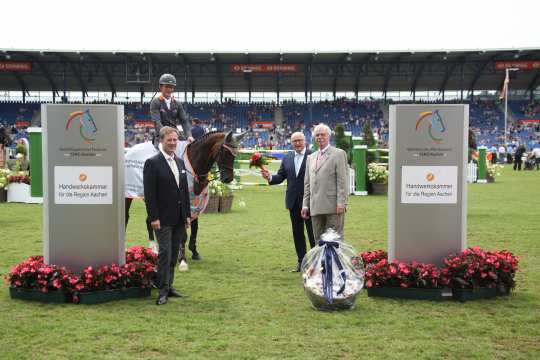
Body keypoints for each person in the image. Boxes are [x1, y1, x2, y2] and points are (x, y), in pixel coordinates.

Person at [144, 126, 191, 305]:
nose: (172, 143)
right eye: (169, 140)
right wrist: (153, 217)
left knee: (173, 255)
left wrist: (187, 215)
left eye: (175, 140)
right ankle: (162, 291)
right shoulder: (153, 163)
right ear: (161, 141)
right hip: (161, 219)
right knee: (164, 253)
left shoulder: (179, 162)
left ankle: (169, 286)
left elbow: (184, 191)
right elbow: (150, 194)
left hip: (179, 218)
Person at [261, 132, 315, 272]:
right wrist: (269, 177)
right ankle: (302, 262)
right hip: (293, 202)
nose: (297, 143)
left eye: (300, 140)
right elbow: (280, 176)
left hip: (310, 202)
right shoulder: (287, 158)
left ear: (305, 141)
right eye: (294, 141)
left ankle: (317, 263)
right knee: (297, 233)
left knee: (313, 234)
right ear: (291, 142)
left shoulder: (313, 155)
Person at [301, 123, 349, 240]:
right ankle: (322, 259)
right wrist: (305, 205)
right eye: (317, 135)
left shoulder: (338, 154)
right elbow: (307, 184)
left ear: (329, 136)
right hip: (315, 207)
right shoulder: (311, 157)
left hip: (333, 207)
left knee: (334, 242)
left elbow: (342, 181)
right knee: (319, 241)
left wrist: (341, 202)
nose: (320, 137)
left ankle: (334, 259)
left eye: (323, 134)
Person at [149, 73, 194, 147]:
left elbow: (184, 121)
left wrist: (189, 135)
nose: (169, 89)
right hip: (161, 136)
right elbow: (157, 122)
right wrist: (167, 135)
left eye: (171, 87)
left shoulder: (177, 103)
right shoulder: (155, 102)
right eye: (166, 87)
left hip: (175, 135)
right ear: (160, 87)